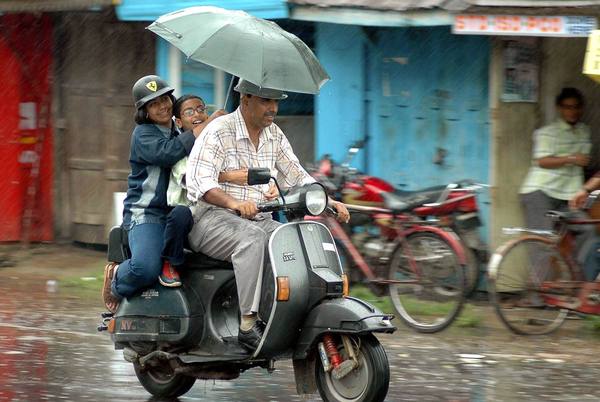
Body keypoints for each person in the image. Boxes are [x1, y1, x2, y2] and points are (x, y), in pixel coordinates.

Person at [185, 79, 350, 351]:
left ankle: (286, 313)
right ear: (245, 99)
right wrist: (234, 203)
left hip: (257, 218)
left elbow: (296, 176)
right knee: (251, 239)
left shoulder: (274, 134)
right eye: (266, 101)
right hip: (210, 218)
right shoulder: (217, 131)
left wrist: (329, 201)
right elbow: (200, 183)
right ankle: (248, 323)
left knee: (292, 240)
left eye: (276, 101)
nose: (272, 108)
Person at [102, 75, 200, 312]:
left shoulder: (181, 130)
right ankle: (117, 278)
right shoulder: (143, 134)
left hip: (181, 211)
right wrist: (199, 130)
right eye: (154, 104)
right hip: (147, 213)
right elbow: (167, 153)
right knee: (146, 268)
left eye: (165, 99)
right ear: (144, 111)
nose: (163, 106)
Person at [518, 87, 592, 291]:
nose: (572, 111)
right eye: (568, 107)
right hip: (539, 192)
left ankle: (579, 286)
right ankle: (535, 296)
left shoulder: (584, 131)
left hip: (568, 195)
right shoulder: (547, 133)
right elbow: (542, 161)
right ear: (560, 108)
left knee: (588, 231)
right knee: (541, 242)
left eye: (576, 107)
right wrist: (571, 158)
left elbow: (584, 161)